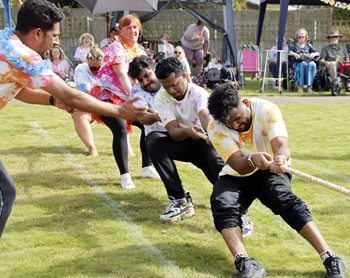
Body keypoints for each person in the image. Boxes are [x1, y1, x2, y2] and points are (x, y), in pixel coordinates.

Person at [0, 0, 147, 238]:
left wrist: (50, 101)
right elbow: (71, 95)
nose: (56, 41)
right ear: (38, 32)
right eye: (54, 35)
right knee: (4, 195)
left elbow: (19, 89)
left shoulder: (7, 42)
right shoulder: (24, 56)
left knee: (6, 193)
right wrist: (120, 111)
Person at [206, 83, 347, 278]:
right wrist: (253, 159)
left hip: (272, 168)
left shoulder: (266, 109)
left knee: (285, 199)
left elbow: (281, 145)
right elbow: (237, 163)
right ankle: (245, 262)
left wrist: (280, 157)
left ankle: (330, 256)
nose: (236, 125)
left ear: (244, 102)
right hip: (236, 174)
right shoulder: (215, 126)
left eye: (238, 118)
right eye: (229, 123)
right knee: (222, 203)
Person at [90, 14, 159, 190]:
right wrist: (134, 99)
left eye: (135, 27)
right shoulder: (115, 48)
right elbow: (121, 74)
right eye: (128, 27)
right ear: (120, 31)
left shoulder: (140, 51)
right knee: (120, 128)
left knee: (147, 125)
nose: (133, 31)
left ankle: (147, 166)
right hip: (107, 95)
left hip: (131, 96)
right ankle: (125, 175)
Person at [72, 46, 104, 157]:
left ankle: (128, 150)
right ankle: (92, 148)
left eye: (99, 67)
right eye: (93, 68)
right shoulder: (81, 69)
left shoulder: (109, 68)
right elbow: (85, 93)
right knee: (78, 116)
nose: (97, 71)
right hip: (90, 103)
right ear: (87, 62)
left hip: (108, 103)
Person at [288, 28, 319, 93]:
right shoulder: (293, 45)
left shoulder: (308, 45)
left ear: (305, 38)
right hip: (298, 63)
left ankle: (309, 86)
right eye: (299, 37)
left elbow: (317, 52)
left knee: (313, 64)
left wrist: (314, 53)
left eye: (303, 37)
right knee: (303, 64)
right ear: (297, 37)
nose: (301, 38)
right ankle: (300, 86)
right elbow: (288, 52)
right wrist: (294, 54)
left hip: (308, 61)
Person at [319, 29, 346, 94]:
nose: (334, 38)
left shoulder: (343, 48)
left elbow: (347, 60)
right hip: (330, 67)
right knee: (333, 64)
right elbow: (321, 60)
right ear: (329, 39)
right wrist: (326, 62)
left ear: (339, 38)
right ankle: (335, 83)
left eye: (336, 37)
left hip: (342, 67)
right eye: (332, 37)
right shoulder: (325, 48)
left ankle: (347, 84)